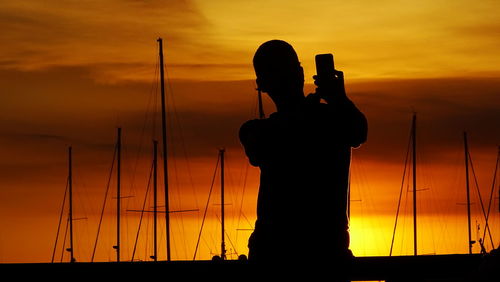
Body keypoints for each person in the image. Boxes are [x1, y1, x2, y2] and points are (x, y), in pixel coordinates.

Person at [239, 40, 368, 265]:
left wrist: (338, 100)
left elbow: (358, 132)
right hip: (313, 257)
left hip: (288, 257)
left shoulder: (329, 120)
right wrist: (335, 102)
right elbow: (356, 130)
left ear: (261, 84)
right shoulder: (260, 132)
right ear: (300, 73)